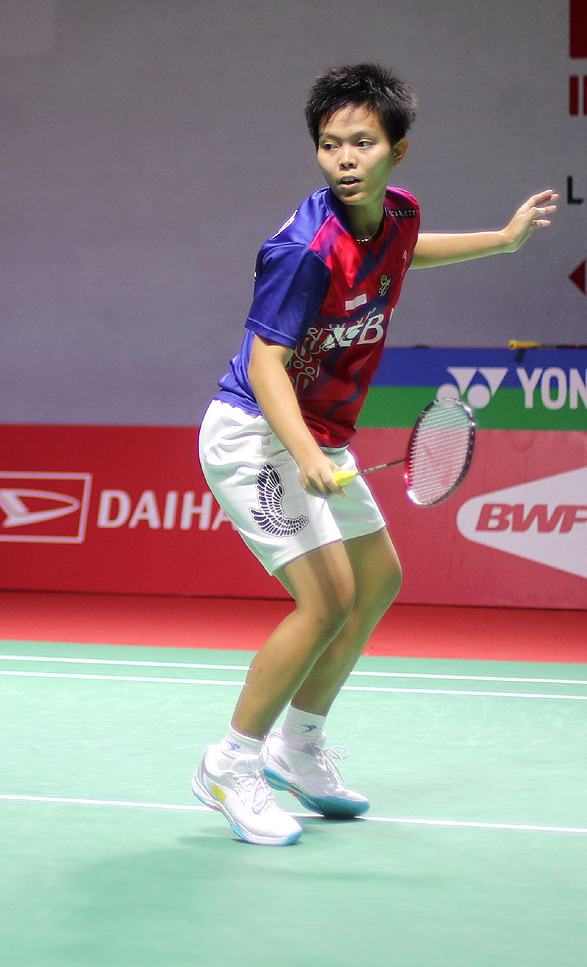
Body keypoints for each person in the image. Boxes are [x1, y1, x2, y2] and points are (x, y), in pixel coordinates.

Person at [192, 64, 557, 846]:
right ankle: (230, 763)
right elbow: (264, 364)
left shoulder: (397, 214)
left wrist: (502, 240)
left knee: (379, 580)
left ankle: (299, 744)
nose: (345, 158)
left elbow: (406, 254)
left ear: (398, 149)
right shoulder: (304, 250)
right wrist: (304, 455)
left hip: (316, 435)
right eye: (330, 145)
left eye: (362, 142)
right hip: (256, 432)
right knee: (325, 599)